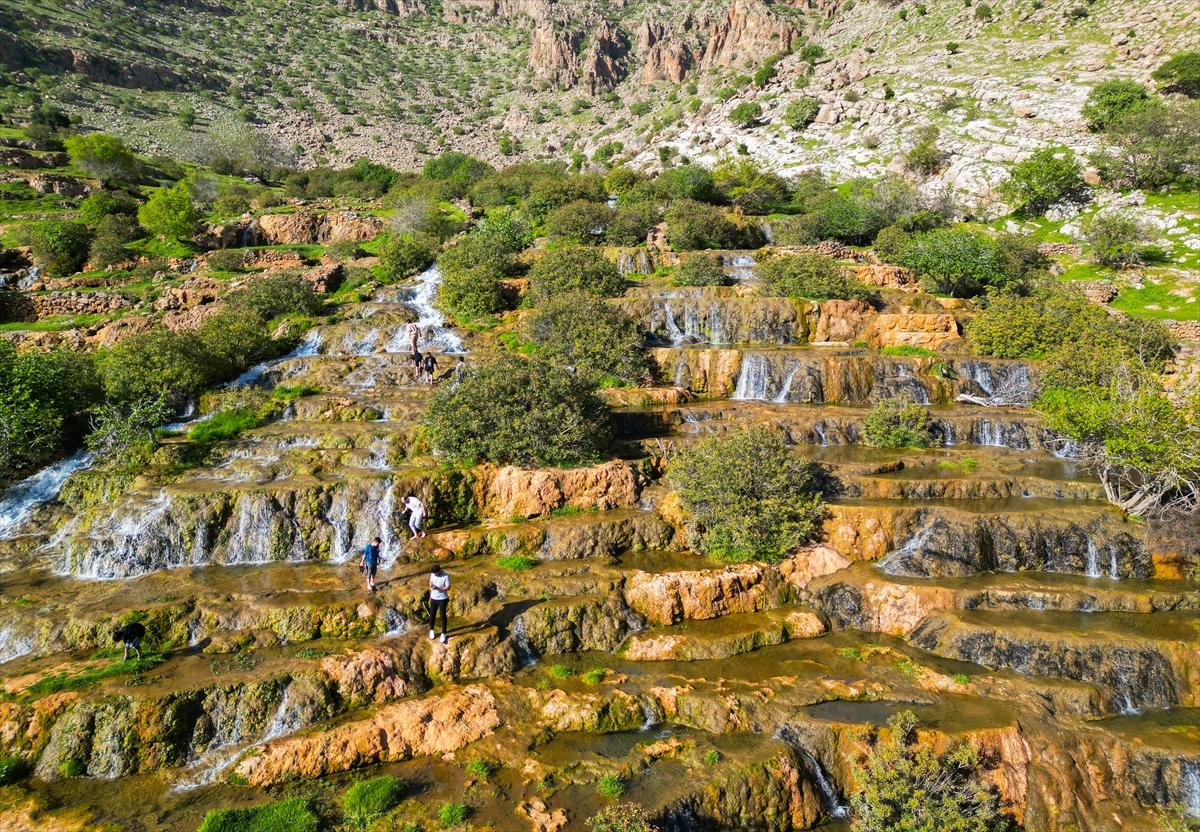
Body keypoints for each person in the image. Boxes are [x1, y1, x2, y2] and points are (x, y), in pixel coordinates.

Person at [428, 564, 450, 643]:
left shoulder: (445, 576)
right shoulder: (432, 574)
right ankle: (431, 630)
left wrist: (438, 588)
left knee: (443, 616)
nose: (434, 574)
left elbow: (448, 587)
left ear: (439, 571)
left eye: (435, 573)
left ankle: (443, 633)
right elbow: (430, 582)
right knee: (432, 615)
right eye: (433, 573)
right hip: (433, 598)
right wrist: (431, 586)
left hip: (442, 599)